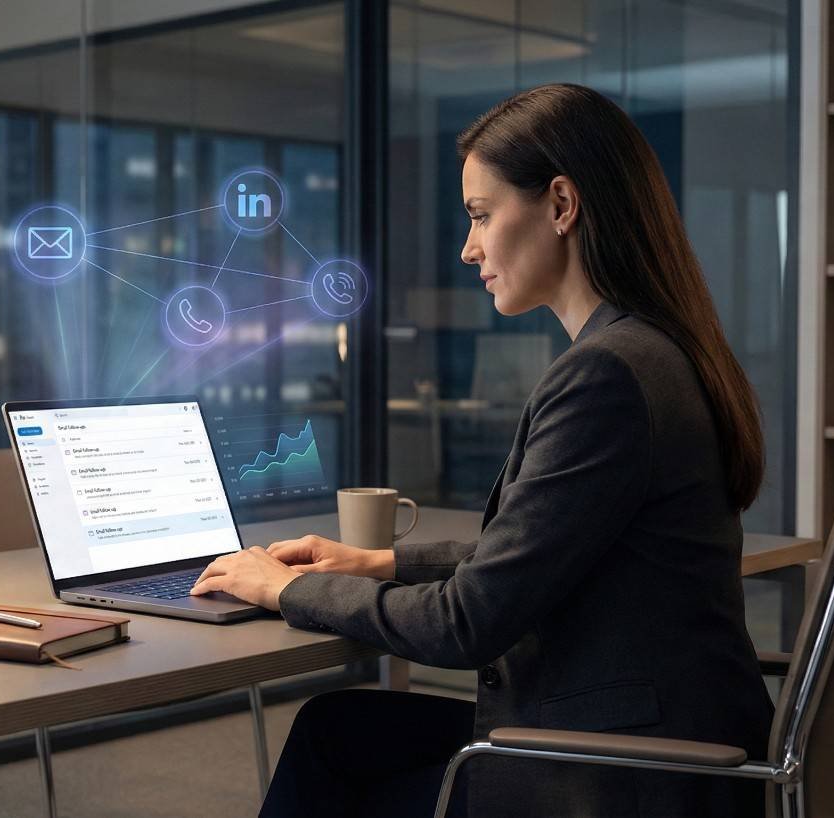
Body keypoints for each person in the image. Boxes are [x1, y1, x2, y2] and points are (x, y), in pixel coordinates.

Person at [190, 83, 774, 817]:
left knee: (338, 768)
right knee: (337, 731)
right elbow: (532, 553)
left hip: (620, 774)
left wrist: (283, 590)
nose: (469, 248)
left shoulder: (608, 376)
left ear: (562, 206)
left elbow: (469, 622)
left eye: (481, 215)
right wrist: (377, 562)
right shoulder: (653, 351)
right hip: (658, 734)